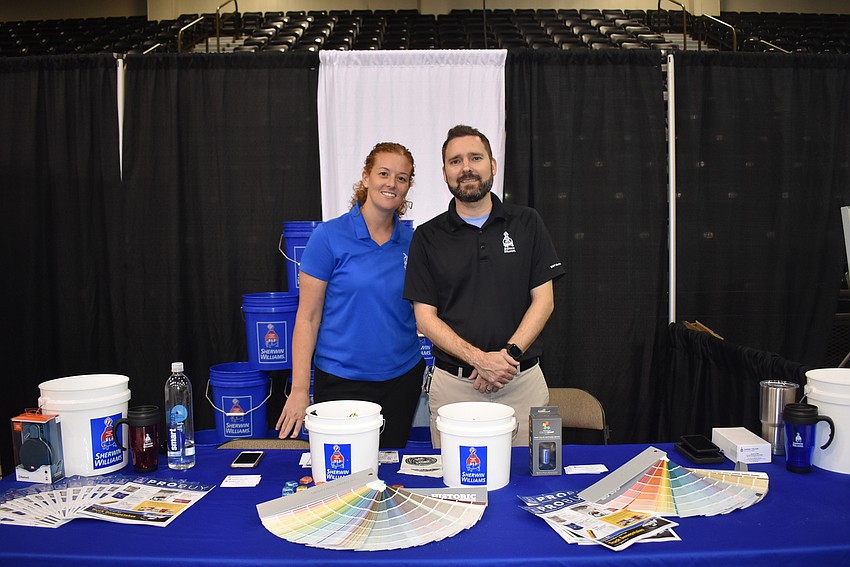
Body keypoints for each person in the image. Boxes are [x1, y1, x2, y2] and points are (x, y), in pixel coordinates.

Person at [403, 125, 564, 447]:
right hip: (454, 389)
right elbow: (425, 318)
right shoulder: (427, 235)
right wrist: (480, 359)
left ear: (492, 165)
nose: (466, 168)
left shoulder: (527, 222)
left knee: (528, 484)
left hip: (522, 383)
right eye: (455, 161)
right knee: (455, 489)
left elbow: (544, 301)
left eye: (475, 158)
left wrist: (506, 357)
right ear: (445, 172)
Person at [275, 142, 425, 448]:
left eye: (402, 178)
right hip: (341, 382)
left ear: (408, 186)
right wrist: (300, 388)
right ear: (366, 176)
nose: (391, 184)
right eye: (383, 173)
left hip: (402, 380)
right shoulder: (328, 237)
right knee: (344, 483)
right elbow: (307, 317)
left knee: (389, 477)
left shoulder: (414, 242)